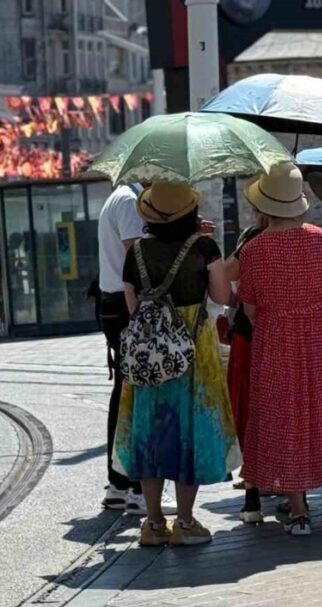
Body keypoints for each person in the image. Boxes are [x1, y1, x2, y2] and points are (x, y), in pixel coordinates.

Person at [237, 162, 322, 536]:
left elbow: (249, 307)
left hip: (276, 342)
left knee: (286, 423)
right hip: (319, 339)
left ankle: (299, 514)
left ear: (264, 206)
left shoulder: (254, 250)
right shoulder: (320, 238)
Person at [112, 181, 239, 547]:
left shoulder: (135, 252)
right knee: (191, 431)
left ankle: (153, 523)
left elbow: (133, 307)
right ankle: (185, 521)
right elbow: (221, 296)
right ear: (190, 212)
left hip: (148, 356)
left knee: (150, 433)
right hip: (194, 352)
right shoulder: (203, 247)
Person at [96, 183, 146, 513]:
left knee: (124, 391)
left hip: (112, 303)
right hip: (127, 305)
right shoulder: (129, 201)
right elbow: (136, 257)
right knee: (139, 393)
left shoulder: (118, 197)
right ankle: (140, 489)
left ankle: (118, 483)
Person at [222, 211, 267, 519]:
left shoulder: (251, 240)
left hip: (250, 336)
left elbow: (227, 275)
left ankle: (253, 493)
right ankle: (293, 491)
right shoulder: (311, 237)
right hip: (288, 334)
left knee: (251, 408)